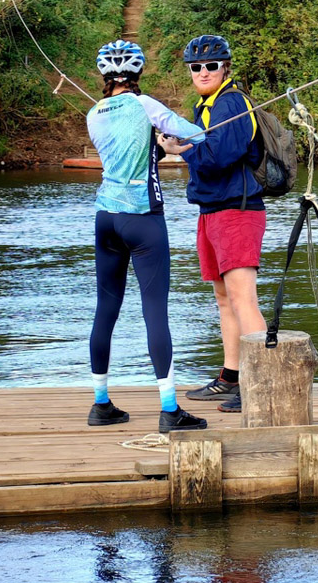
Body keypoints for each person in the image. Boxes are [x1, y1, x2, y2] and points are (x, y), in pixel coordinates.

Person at [85, 39, 208, 433]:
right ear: (137, 74)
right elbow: (196, 134)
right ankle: (170, 411)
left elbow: (124, 153)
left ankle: (101, 405)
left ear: (105, 76)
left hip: (106, 217)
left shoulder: (93, 112)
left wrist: (159, 147)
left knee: (106, 307)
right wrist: (175, 142)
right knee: (155, 310)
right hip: (143, 219)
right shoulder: (145, 105)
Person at [159, 34, 267, 414]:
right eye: (195, 67)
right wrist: (176, 146)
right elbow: (204, 147)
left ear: (226, 68)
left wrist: (182, 149)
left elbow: (221, 153)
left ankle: (259, 384)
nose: (203, 72)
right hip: (211, 211)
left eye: (210, 66)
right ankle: (231, 377)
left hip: (238, 211)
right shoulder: (203, 106)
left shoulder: (233, 103)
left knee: (242, 298)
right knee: (224, 299)